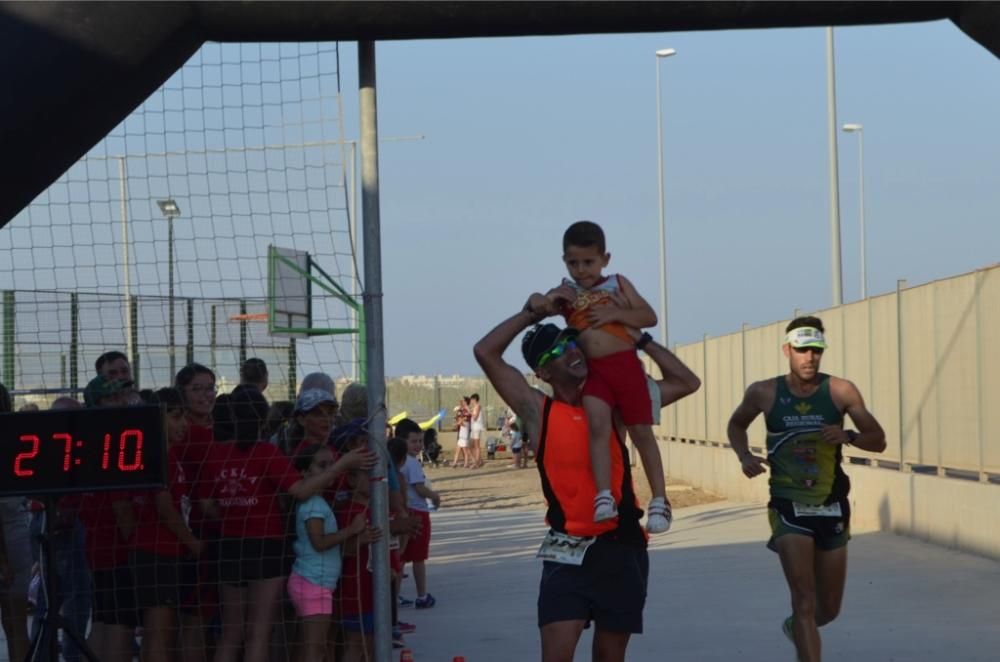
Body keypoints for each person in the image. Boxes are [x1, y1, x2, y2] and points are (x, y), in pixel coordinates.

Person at [473, 291, 700, 662]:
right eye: (557, 352)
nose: (572, 352)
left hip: (620, 547)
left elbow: (687, 382)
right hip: (566, 550)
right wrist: (532, 313)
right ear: (542, 372)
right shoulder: (536, 411)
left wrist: (634, 335)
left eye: (572, 343)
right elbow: (485, 352)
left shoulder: (615, 405)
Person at [726, 316, 886, 662]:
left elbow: (879, 441)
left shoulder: (841, 391)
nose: (809, 357)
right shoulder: (764, 392)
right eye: (802, 350)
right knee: (802, 598)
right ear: (787, 350)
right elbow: (736, 423)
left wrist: (849, 436)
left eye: (816, 350)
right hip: (787, 505)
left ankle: (796, 628)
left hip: (831, 503)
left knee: (827, 609)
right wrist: (743, 456)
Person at [197, 387, 372, 662]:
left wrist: (234, 515)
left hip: (229, 547)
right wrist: (341, 466)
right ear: (262, 421)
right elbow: (300, 491)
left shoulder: (219, 454)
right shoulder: (266, 453)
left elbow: (206, 504)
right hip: (265, 548)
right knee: (259, 632)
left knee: (231, 634)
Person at [541, 220, 670, 533]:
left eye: (589, 262)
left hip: (625, 366)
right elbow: (543, 306)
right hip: (595, 373)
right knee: (598, 427)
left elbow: (648, 316)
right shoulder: (566, 291)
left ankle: (659, 500)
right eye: (574, 263)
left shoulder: (618, 283)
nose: (581, 270)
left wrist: (616, 314)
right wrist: (546, 299)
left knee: (641, 432)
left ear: (605, 259)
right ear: (564, 262)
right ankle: (604, 495)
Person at [129, 387, 204, 662]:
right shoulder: (162, 456)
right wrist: (192, 542)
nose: (183, 424)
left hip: (157, 551)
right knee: (160, 631)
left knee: (156, 631)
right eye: (175, 417)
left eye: (184, 417)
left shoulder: (164, 454)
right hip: (158, 552)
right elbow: (165, 507)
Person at [78, 376, 141, 662]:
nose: (123, 402)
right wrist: (137, 550)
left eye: (123, 395)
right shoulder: (114, 443)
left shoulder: (87, 442)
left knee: (103, 621)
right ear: (97, 404)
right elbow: (122, 508)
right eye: (113, 398)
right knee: (119, 626)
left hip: (98, 550)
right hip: (116, 553)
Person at [288, 444, 368, 662]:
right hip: (313, 583)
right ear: (304, 472)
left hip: (316, 582)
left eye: (332, 464)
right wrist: (351, 531)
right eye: (322, 465)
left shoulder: (318, 501)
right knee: (314, 650)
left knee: (313, 647)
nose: (330, 470)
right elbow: (319, 543)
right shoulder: (313, 504)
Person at [28, 397, 91, 662]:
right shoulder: (58, 448)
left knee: (53, 597)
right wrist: (57, 514)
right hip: (56, 524)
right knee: (67, 598)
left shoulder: (64, 445)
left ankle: (47, 654)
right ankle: (66, 654)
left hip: (55, 522)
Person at [332, 464, 383, 662]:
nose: (375, 478)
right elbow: (340, 550)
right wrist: (359, 539)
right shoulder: (350, 513)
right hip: (356, 592)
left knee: (371, 646)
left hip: (374, 589)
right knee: (357, 645)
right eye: (369, 474)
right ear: (352, 480)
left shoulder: (376, 509)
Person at [396, 418, 441, 610]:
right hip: (418, 513)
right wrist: (434, 496)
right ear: (401, 441)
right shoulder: (412, 463)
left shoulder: (397, 462)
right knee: (418, 558)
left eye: (420, 441)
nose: (418, 445)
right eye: (413, 441)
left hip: (404, 511)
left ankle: (393, 596)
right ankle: (422, 595)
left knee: (400, 557)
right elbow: (420, 488)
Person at [0, 383, 31, 662]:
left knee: (15, 622)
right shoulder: (14, 440)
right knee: (15, 623)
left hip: (11, 536)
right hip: (14, 535)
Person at [469, 393, 485, 468]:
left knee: (476, 446)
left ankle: (477, 463)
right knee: (471, 445)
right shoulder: (474, 407)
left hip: (477, 427)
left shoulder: (478, 406)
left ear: (475, 399)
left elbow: (475, 417)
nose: (471, 401)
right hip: (473, 428)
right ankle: (479, 460)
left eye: (472, 399)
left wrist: (469, 411)